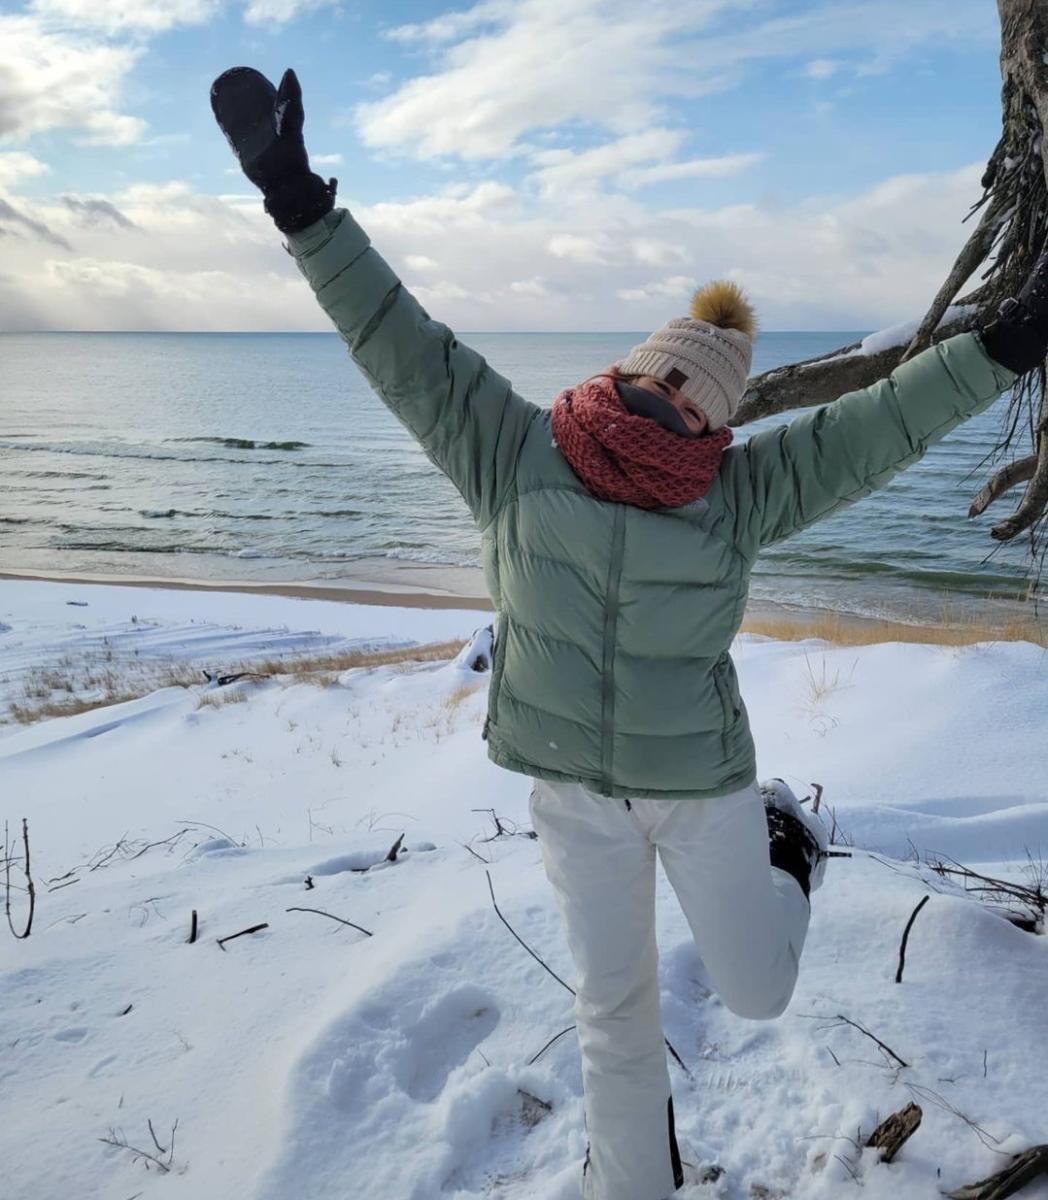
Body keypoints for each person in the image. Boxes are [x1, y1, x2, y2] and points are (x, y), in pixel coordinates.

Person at [211, 66, 1047, 1200]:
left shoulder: (739, 496)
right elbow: (394, 339)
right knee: (612, 1015)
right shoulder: (511, 453)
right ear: (633, 369)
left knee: (756, 990)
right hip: (571, 793)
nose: (674, 409)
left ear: (720, 422)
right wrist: (297, 199)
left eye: (702, 406)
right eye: (666, 381)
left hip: (703, 789)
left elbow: (877, 426)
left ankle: (787, 851)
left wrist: (1001, 348)